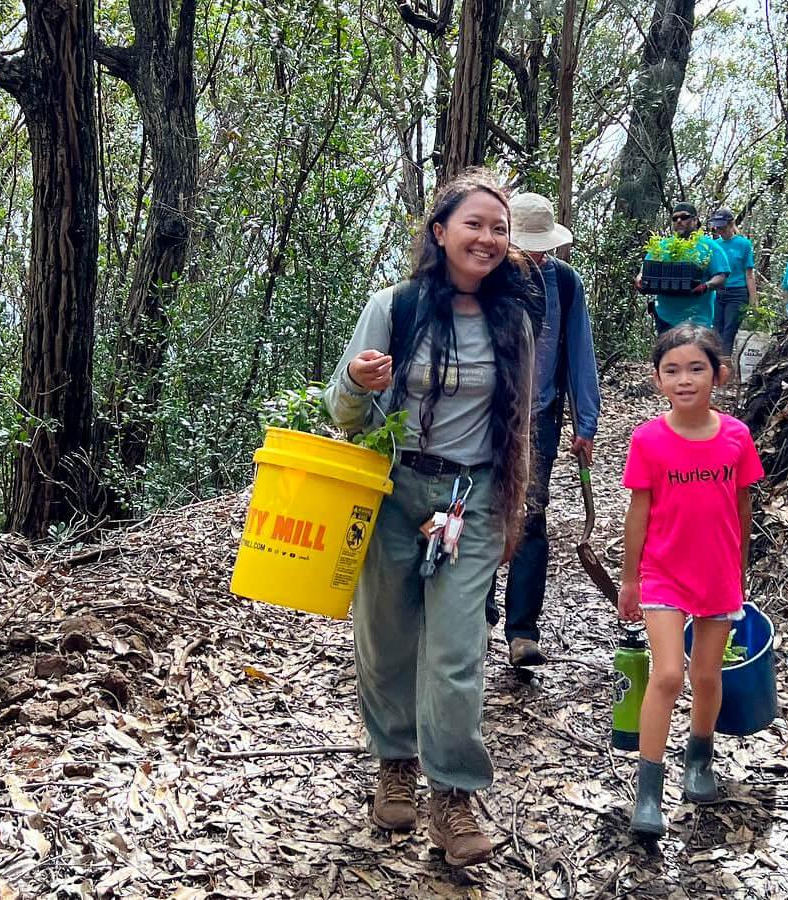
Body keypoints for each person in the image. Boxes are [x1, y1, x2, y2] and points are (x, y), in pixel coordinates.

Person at [323, 168, 535, 867]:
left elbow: (518, 428)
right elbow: (341, 410)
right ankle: (395, 762)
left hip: (471, 499)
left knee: (456, 649)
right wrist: (357, 382)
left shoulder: (514, 320)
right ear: (440, 232)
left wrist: (512, 513)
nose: (488, 238)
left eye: (499, 229)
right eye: (474, 224)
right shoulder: (395, 307)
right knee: (385, 637)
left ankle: (453, 794)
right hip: (393, 489)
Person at [616, 323, 765, 840]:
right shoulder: (648, 440)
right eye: (672, 370)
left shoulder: (736, 436)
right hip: (663, 573)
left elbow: (743, 507)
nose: (685, 380)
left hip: (718, 574)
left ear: (718, 374)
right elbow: (638, 512)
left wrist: (739, 569)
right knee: (667, 676)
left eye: (696, 368)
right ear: (657, 380)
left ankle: (699, 760)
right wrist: (629, 579)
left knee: (705, 675)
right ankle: (648, 791)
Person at [484, 193, 601, 667]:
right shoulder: (486, 277)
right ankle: (478, 616)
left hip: (540, 418)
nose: (534, 257)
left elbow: (580, 352)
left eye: (541, 249)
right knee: (479, 511)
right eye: (525, 247)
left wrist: (586, 422)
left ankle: (522, 632)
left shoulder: (565, 283)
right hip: (483, 416)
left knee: (530, 517)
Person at [638, 201, 730, 335]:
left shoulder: (710, 246)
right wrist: (640, 279)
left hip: (697, 319)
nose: (679, 221)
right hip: (665, 317)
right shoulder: (662, 246)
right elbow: (645, 269)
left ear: (695, 220)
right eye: (675, 218)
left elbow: (721, 276)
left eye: (684, 217)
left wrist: (706, 286)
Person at [706, 209, 756, 357]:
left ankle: (724, 363)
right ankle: (714, 362)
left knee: (729, 331)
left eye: (722, 226)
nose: (719, 230)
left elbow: (749, 274)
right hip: (717, 292)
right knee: (715, 329)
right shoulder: (714, 245)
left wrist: (754, 301)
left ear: (731, 224)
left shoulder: (743, 244)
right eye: (717, 227)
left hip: (737, 293)